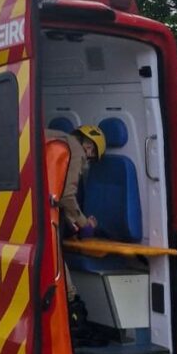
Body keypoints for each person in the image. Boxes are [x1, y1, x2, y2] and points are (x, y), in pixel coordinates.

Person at [46, 123, 107, 337]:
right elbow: (66, 196)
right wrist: (84, 224)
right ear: (89, 146)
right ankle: (73, 316)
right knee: (56, 263)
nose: (87, 163)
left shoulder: (52, 137)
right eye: (91, 157)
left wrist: (73, 221)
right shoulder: (75, 150)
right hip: (43, 216)